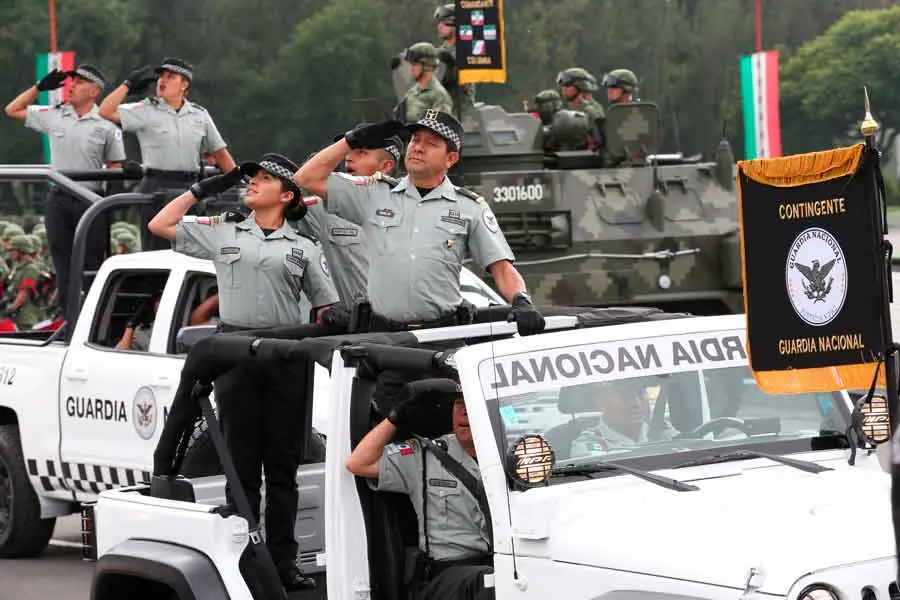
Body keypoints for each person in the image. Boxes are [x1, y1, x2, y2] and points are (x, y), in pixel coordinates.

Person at [148, 152, 338, 592]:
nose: (251, 182)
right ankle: (247, 562)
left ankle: (284, 562)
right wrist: (205, 188)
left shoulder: (304, 248)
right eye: (250, 178)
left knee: (284, 466)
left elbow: (326, 306)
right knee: (241, 467)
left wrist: (328, 323)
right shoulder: (224, 230)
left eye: (264, 179)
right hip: (234, 352)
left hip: (286, 355)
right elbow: (160, 225)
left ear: (287, 195)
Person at [293, 112, 544, 336]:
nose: (418, 148)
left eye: (431, 143)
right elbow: (305, 178)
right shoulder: (373, 194)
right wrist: (351, 140)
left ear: (451, 158)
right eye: (415, 140)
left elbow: (501, 267)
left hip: (442, 335)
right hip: (383, 338)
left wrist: (521, 300)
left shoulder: (469, 207)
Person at [346, 383, 493, 600]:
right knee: (489, 585)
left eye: (471, 403)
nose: (463, 411)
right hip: (448, 576)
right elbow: (359, 463)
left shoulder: (519, 454)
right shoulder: (424, 455)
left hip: (503, 565)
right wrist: (395, 418)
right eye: (458, 403)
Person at [4, 64, 126, 316]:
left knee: (91, 264)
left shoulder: (106, 123)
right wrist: (39, 88)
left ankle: (92, 319)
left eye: (79, 82)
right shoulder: (56, 115)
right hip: (58, 199)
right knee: (62, 264)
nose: (71, 86)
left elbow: (116, 165)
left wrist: (111, 203)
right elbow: (12, 109)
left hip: (90, 199)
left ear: (94, 91)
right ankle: (68, 320)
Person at [99, 57, 236, 251]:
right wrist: (127, 85)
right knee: (156, 251)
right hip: (157, 187)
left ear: (184, 84)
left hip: (191, 189)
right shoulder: (146, 110)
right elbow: (105, 111)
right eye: (160, 77)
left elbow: (220, 153)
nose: (162, 81)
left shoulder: (199, 114)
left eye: (170, 77)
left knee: (192, 248)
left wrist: (239, 184)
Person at [298, 132, 404, 321]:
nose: (348, 157)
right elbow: (294, 190)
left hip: (405, 322)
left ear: (386, 166)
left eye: (361, 153)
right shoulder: (322, 208)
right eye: (348, 152)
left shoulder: (410, 206)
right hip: (355, 325)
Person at [569, 379, 676, 455]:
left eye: (640, 393)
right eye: (625, 395)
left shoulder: (666, 433)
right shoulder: (589, 444)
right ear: (602, 402)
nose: (637, 404)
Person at [433, 3, 475, 116]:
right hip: (442, 110)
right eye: (439, 23)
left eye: (444, 23)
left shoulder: (466, 50)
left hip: (461, 112)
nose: (439, 27)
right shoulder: (440, 51)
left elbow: (448, 75)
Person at [396, 43, 454, 122]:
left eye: (415, 64)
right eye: (410, 64)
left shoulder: (439, 96)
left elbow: (437, 128)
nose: (411, 68)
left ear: (427, 66)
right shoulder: (412, 93)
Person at [0, 235, 44, 330]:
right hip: (15, 317)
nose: (10, 253)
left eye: (13, 250)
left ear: (21, 250)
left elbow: (24, 293)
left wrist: (10, 309)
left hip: (25, 319)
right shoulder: (18, 268)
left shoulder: (30, 269)